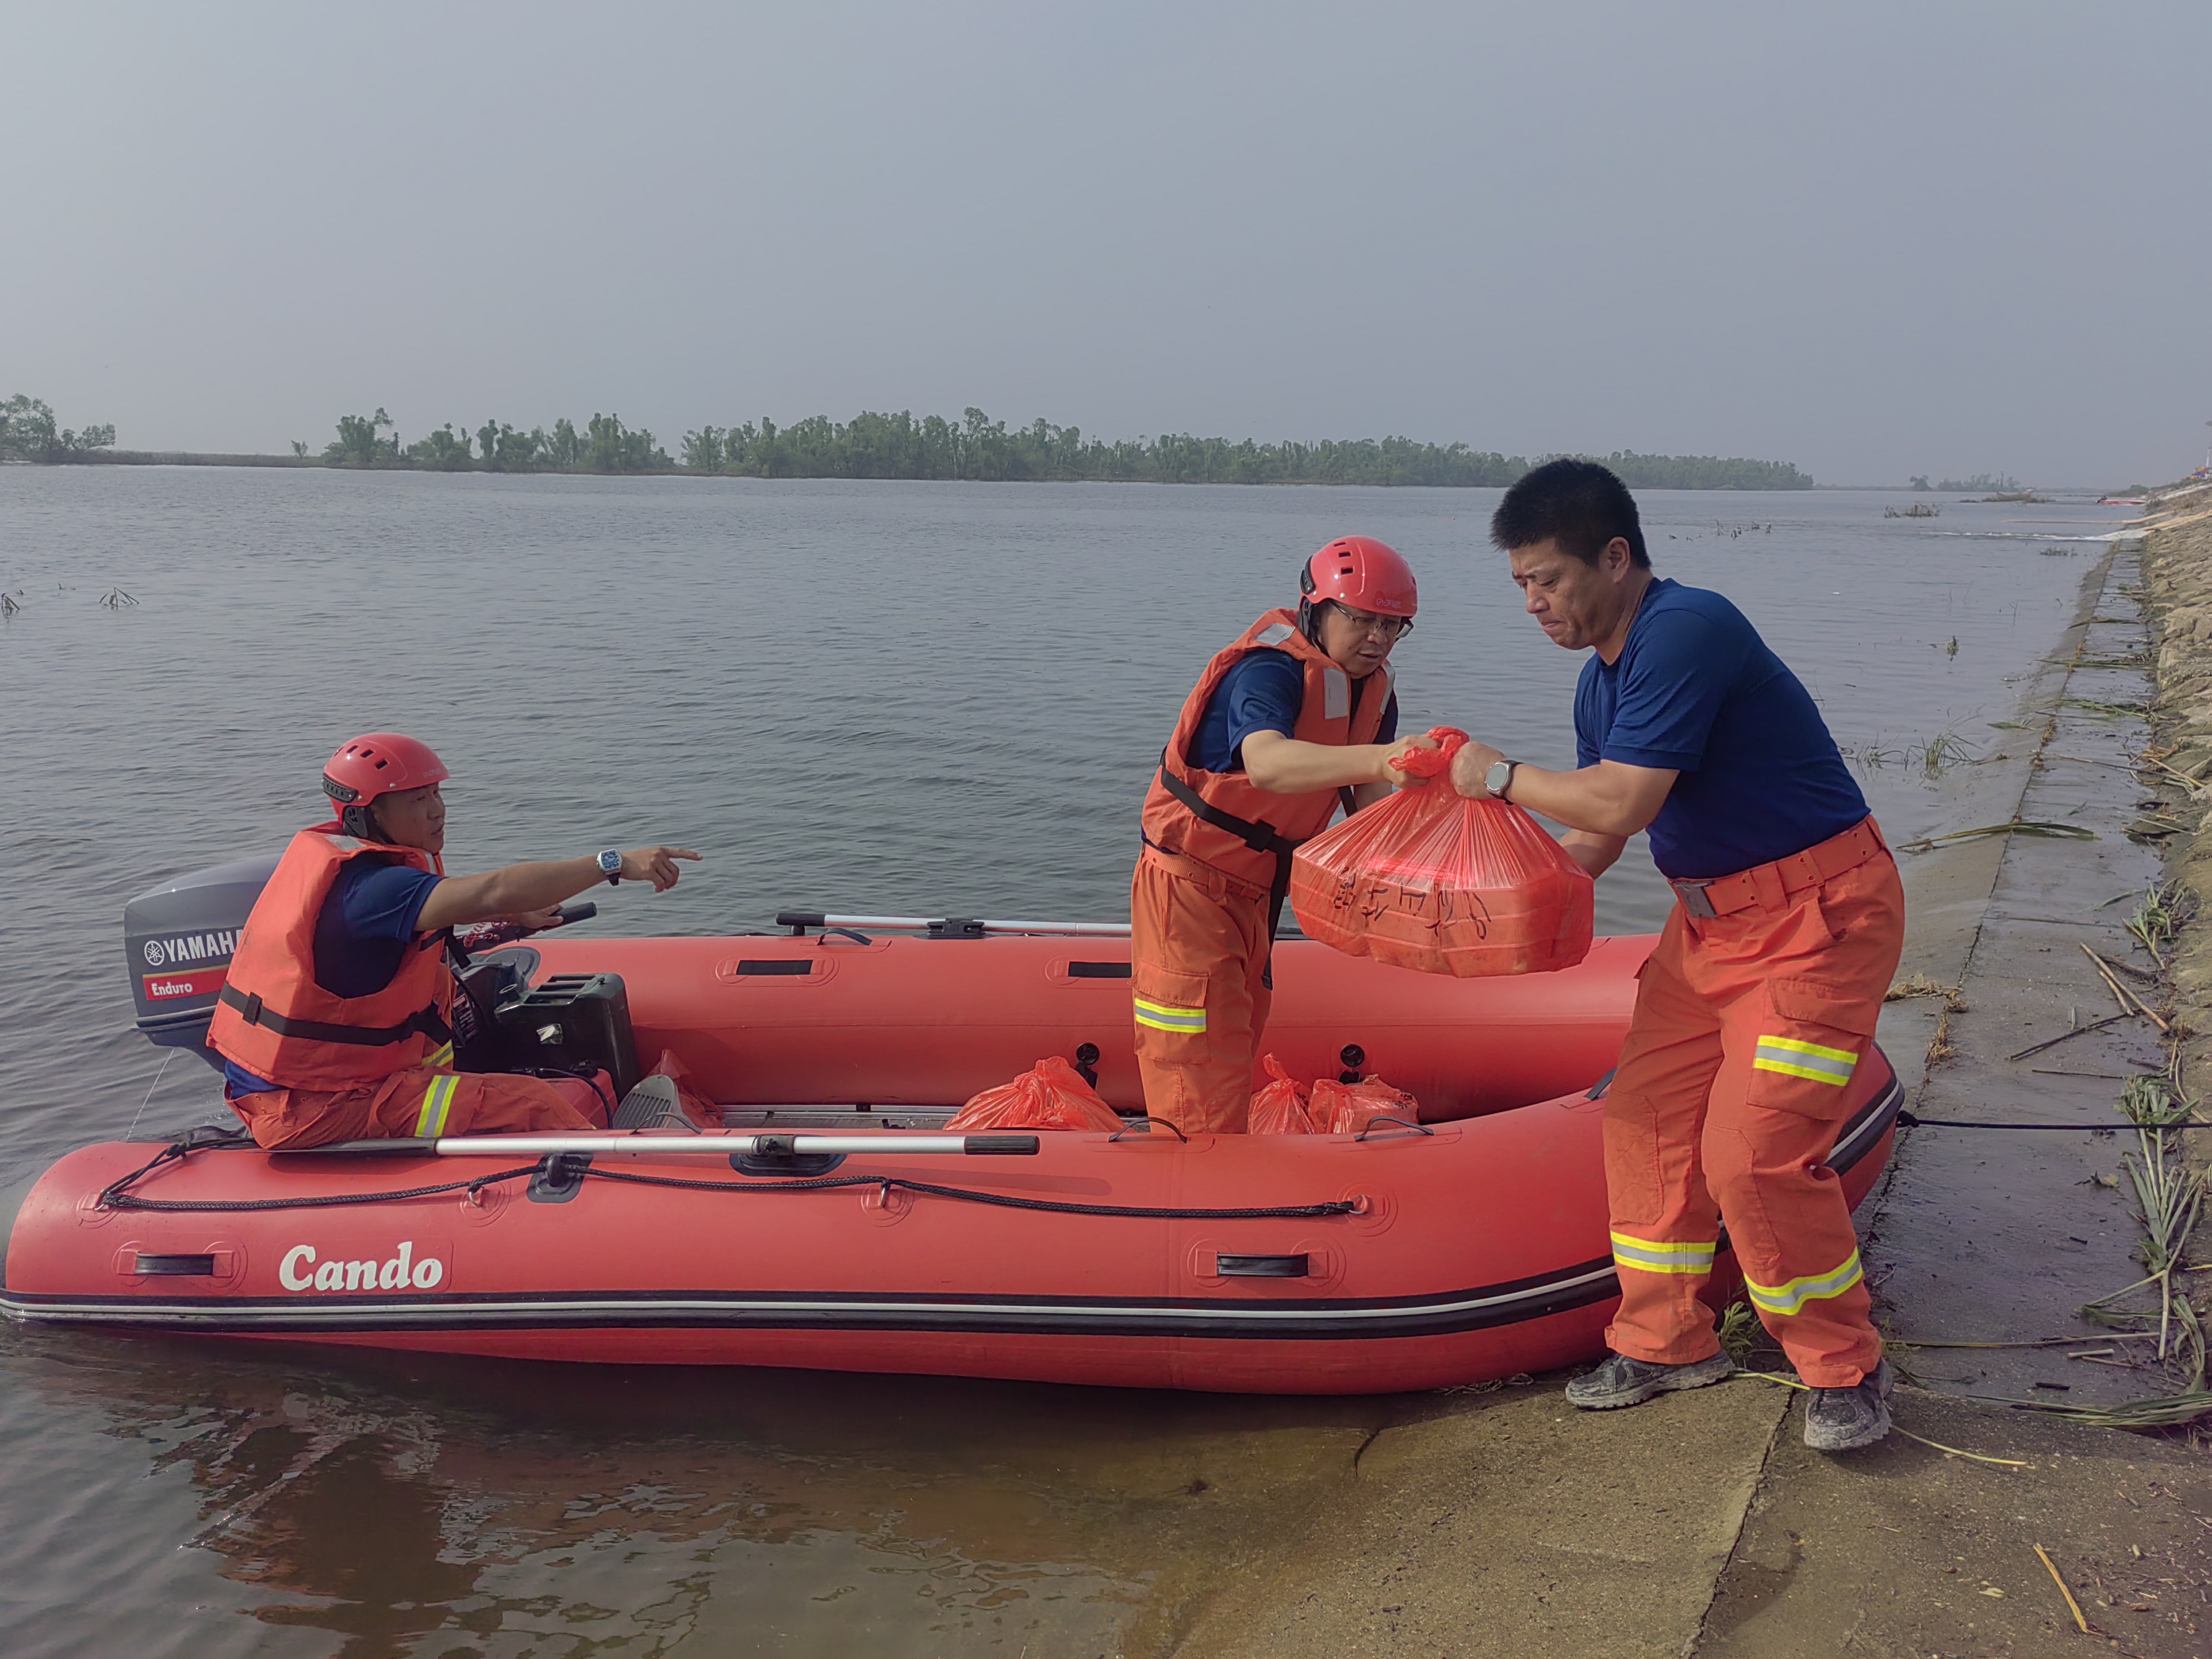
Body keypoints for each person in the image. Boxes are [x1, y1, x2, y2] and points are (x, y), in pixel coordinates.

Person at [1448, 460, 1903, 1453]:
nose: (1533, 602)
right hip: (1707, 931)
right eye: (1520, 584)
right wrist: (1478, 910)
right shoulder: (1598, 682)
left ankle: (1846, 1368)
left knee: (1752, 1156)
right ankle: (1664, 1341)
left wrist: (1498, 777)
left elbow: (1619, 804)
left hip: (1816, 922)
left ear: (1616, 557)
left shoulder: (1689, 628)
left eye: (1549, 579)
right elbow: (1597, 845)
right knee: (1645, 1118)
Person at [209, 733, 699, 1150]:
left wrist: (507, 911)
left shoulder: (369, 872)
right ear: (366, 815)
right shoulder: (374, 889)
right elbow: (492, 888)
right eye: (417, 801)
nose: (437, 812)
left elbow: (466, 902)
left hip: (311, 1085)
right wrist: (611, 863)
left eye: (437, 795)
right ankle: (611, 1199)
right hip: (316, 1105)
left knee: (448, 996)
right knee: (537, 1103)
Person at [1131, 537, 1433, 1134]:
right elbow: (1267, 763)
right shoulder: (1267, 672)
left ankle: (1218, 1166)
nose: (1377, 638)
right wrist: (1380, 761)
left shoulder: (1374, 696)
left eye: (1393, 626)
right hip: (1188, 890)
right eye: (1362, 619)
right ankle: (1194, 1181)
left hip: (1256, 895)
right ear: (1315, 610)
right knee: (1196, 1059)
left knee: (1234, 1043)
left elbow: (1372, 814)